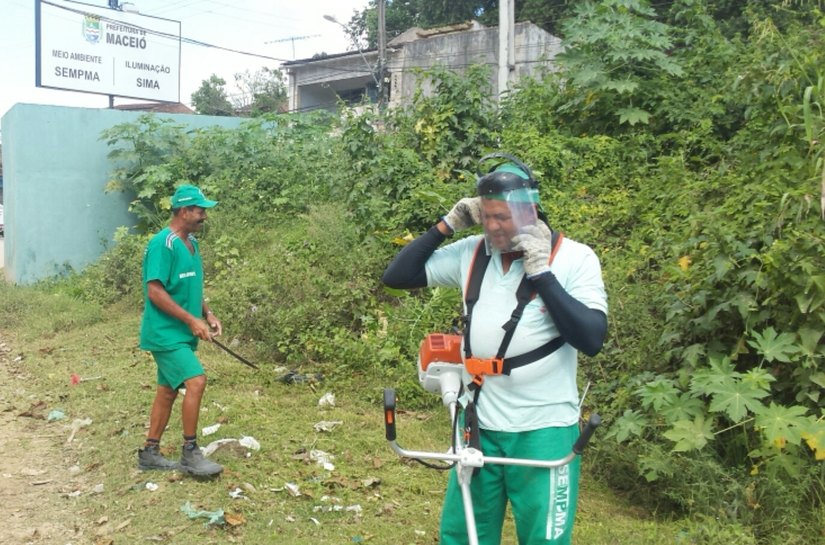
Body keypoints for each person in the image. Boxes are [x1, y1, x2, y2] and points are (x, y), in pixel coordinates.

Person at [382, 155, 608, 545]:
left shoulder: (575, 259)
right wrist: (447, 224)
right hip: (478, 422)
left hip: (543, 428)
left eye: (502, 217)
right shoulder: (474, 252)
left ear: (530, 210)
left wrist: (542, 274)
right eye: (485, 216)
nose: (492, 227)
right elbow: (398, 277)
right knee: (464, 533)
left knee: (544, 538)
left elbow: (591, 339)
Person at [136, 184, 224, 477]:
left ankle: (150, 451)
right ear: (184, 211)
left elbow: (190, 286)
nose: (204, 216)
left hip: (181, 334)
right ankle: (190, 452)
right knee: (196, 381)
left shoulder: (192, 244)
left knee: (167, 391)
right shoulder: (164, 244)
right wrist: (190, 320)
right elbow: (155, 291)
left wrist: (207, 314)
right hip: (165, 333)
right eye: (200, 211)